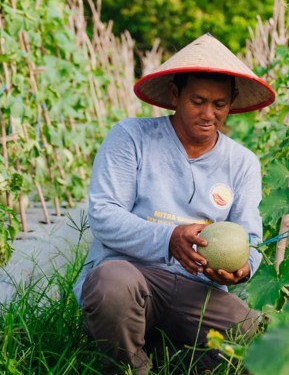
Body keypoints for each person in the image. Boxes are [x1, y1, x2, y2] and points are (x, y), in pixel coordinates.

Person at [72, 33, 276, 374]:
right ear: (174, 95)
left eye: (220, 104)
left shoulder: (242, 163)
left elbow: (249, 237)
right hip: (132, 275)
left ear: (232, 102)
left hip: (197, 291)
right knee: (109, 286)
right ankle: (130, 367)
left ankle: (171, 353)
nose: (209, 114)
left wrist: (241, 270)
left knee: (260, 342)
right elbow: (105, 215)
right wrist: (170, 238)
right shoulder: (131, 138)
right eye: (197, 101)